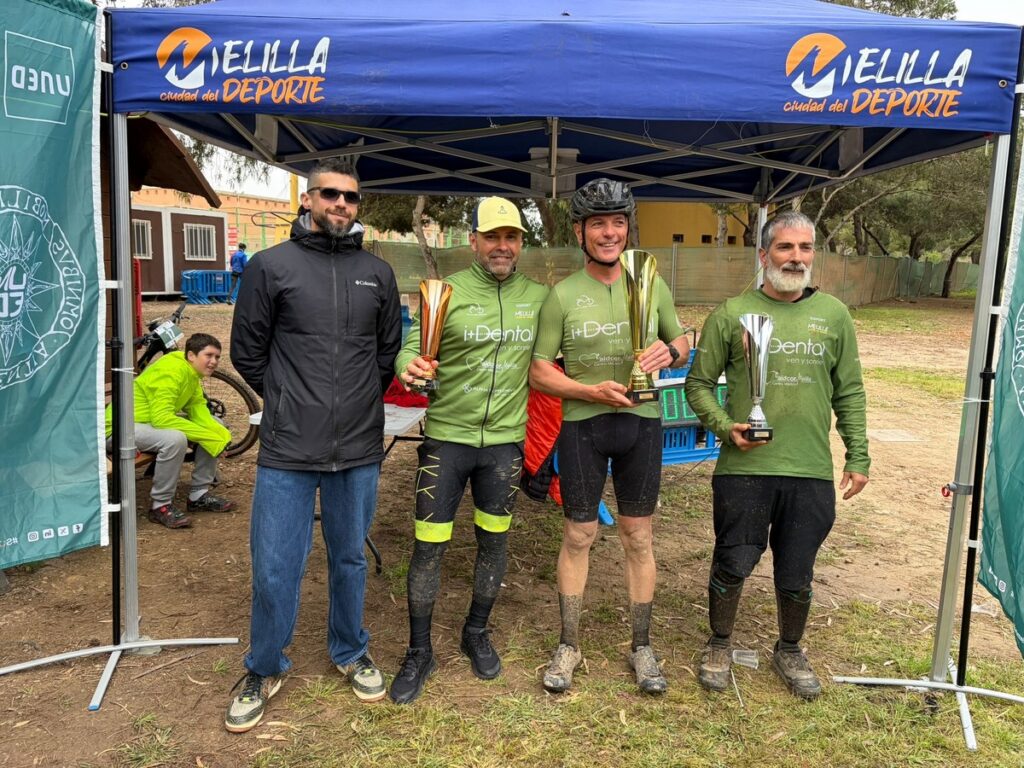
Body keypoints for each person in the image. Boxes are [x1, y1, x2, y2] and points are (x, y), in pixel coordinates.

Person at [226, 158, 402, 732]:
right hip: (286, 449)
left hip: (357, 447)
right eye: (329, 194)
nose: (340, 205)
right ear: (307, 199)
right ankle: (264, 665)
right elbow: (247, 352)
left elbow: (384, 356)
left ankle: (350, 650)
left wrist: (352, 405)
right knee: (276, 565)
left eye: (350, 198)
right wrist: (289, 399)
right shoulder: (269, 267)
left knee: (350, 558)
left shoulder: (378, 274)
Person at [684, 210, 870, 701]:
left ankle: (789, 649)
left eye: (804, 248)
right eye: (785, 248)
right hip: (745, 468)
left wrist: (859, 455)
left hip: (808, 468)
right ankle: (719, 643)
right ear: (764, 254)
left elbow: (849, 390)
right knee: (733, 558)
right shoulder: (730, 314)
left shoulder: (833, 315)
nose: (796, 257)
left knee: (797, 568)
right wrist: (727, 428)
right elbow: (698, 385)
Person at [529, 178, 690, 695]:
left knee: (638, 535)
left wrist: (674, 351)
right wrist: (588, 391)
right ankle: (569, 643)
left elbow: (682, 337)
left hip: (641, 423)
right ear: (579, 230)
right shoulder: (562, 296)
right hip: (583, 426)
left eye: (618, 221)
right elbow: (538, 373)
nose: (609, 232)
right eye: (598, 222)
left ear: (627, 228)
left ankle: (641, 645)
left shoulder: (651, 283)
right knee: (579, 535)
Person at [388, 197, 548, 705]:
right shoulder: (446, 292)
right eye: (493, 236)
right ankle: (419, 650)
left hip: (504, 444)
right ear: (474, 240)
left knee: (494, 544)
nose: (503, 246)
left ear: (521, 243)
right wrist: (407, 368)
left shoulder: (539, 297)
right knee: (428, 546)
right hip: (448, 441)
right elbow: (412, 348)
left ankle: (476, 632)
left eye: (512, 237)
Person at [105, 333, 234, 529]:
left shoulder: (191, 374)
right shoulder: (171, 371)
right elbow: (162, 418)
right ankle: (160, 506)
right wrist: (211, 438)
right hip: (119, 428)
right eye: (208, 355)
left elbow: (198, 409)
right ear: (191, 355)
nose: (213, 361)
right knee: (175, 439)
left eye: (217, 357)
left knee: (217, 423)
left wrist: (219, 434)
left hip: (147, 425)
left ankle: (198, 495)